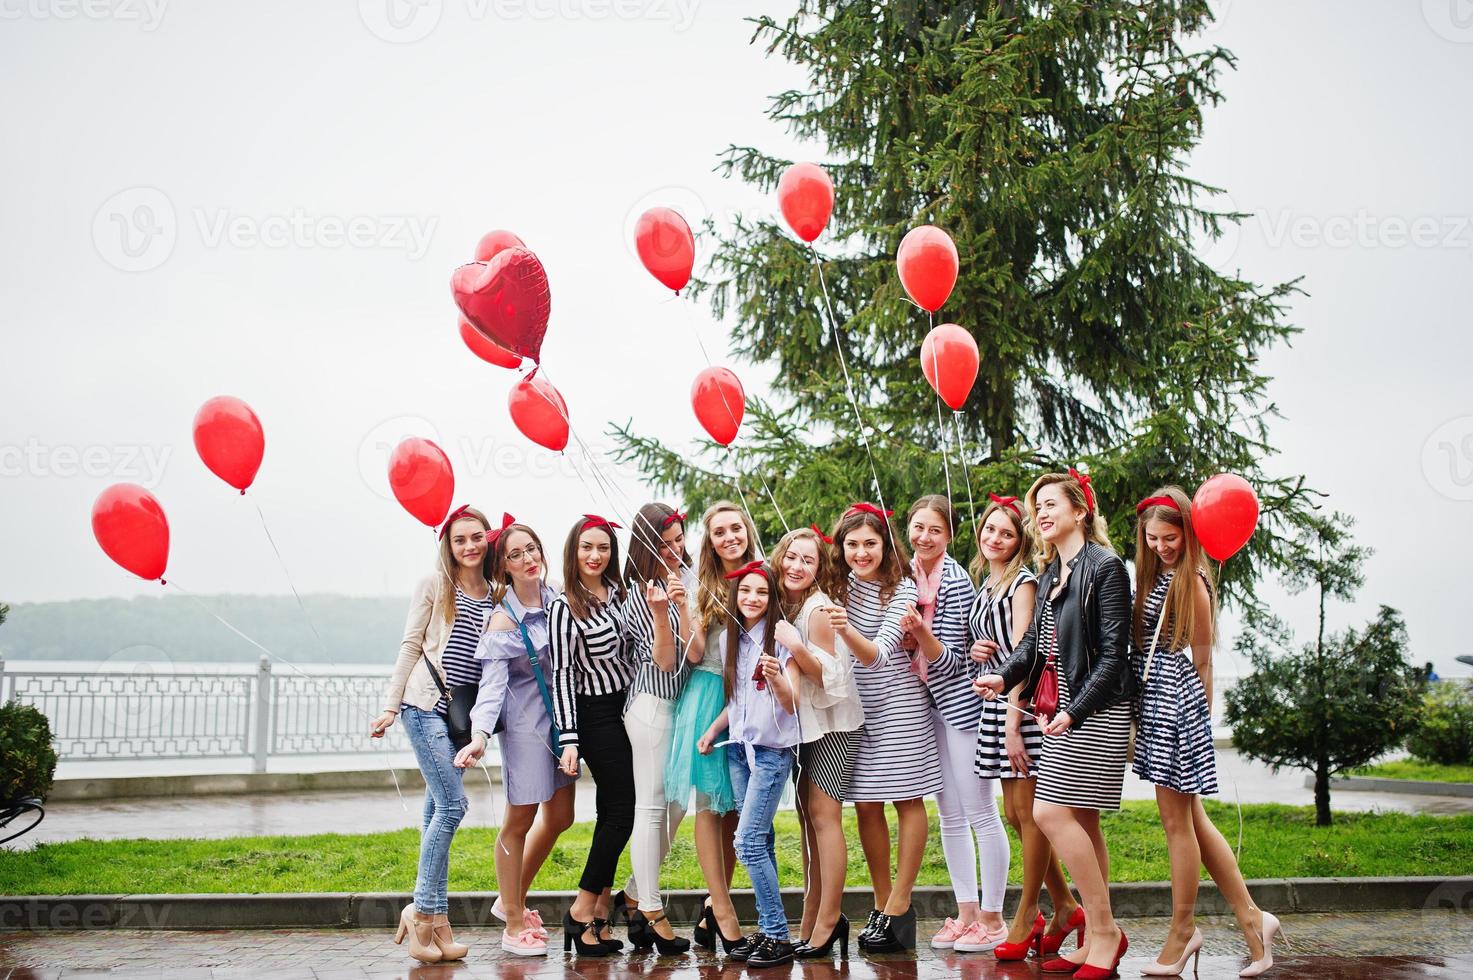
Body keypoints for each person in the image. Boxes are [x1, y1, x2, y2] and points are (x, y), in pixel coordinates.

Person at [975, 470, 1134, 980]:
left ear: (1080, 511)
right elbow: (1033, 649)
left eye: (1050, 505)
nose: (1040, 514)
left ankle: (1104, 928)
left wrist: (1074, 709)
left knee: (1047, 813)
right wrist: (1002, 678)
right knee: (1083, 822)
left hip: (1096, 710)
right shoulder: (1050, 574)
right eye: (1036, 507)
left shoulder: (1106, 568)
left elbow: (1112, 657)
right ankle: (1095, 935)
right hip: (1062, 709)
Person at [1132, 488, 1280, 978]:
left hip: (1177, 707)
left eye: (1169, 537)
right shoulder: (1162, 574)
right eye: (1152, 538)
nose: (1160, 546)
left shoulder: (1191, 581)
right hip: (1158, 704)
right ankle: (1253, 919)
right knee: (1192, 819)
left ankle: (1183, 930)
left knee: (1178, 823)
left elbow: (1202, 660)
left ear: (1190, 533)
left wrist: (1200, 724)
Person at [371, 504, 493, 963]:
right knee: (453, 805)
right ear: (448, 544)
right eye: (460, 539)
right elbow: (410, 644)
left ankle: (436, 921)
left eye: (476, 537)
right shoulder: (434, 585)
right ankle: (424, 914)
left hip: (459, 717)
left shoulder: (495, 590)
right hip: (422, 706)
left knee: (435, 811)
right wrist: (389, 705)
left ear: (488, 539)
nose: (469, 546)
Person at [451, 518, 577, 957]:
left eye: (532, 549)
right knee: (518, 821)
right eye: (515, 554)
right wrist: (480, 735)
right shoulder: (503, 619)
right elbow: (490, 688)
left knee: (561, 817)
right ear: (502, 566)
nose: (528, 559)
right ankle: (514, 921)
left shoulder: (558, 597)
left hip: (563, 724)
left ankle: (509, 902)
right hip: (525, 730)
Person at [968, 494, 1083, 962]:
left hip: (1021, 707)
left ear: (1020, 541)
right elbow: (999, 647)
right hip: (995, 705)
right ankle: (1065, 905)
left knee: (1030, 813)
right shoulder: (988, 582)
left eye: (1007, 533)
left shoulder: (1023, 583)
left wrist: (1015, 724)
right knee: (1018, 815)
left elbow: (1027, 654)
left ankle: (1028, 909)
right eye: (990, 529)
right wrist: (979, 649)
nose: (995, 538)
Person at [901, 495, 1012, 953]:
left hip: (963, 706)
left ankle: (993, 917)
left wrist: (920, 635)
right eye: (918, 527)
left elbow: (948, 661)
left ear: (949, 537)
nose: (924, 537)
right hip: (926, 710)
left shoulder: (957, 581)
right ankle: (966, 910)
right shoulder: (905, 575)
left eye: (935, 530)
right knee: (948, 812)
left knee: (980, 811)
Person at [827, 502, 940, 952]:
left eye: (870, 543)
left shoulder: (902, 588)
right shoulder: (837, 588)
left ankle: (900, 902)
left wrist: (844, 628)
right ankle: (881, 901)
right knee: (866, 804)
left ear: (885, 544)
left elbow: (875, 652)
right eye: (852, 544)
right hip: (857, 710)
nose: (860, 552)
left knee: (907, 799)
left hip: (899, 706)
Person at [698, 560, 802, 968]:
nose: (752, 598)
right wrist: (711, 730)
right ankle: (768, 928)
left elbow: (791, 703)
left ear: (772, 596)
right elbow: (736, 702)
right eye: (745, 591)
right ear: (734, 596)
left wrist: (777, 676)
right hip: (739, 749)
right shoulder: (730, 640)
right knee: (763, 840)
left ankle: (777, 933)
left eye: (761, 592)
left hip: (772, 752)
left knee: (745, 841)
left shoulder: (780, 640)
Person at [544, 514, 636, 956]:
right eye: (586, 548)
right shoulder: (565, 607)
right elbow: (561, 675)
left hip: (631, 706)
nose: (595, 556)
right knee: (622, 811)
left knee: (612, 812)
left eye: (602, 548)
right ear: (573, 553)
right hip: (595, 714)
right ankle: (581, 911)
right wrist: (569, 739)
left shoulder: (620, 595)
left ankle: (599, 915)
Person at [771, 526, 862, 960]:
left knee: (825, 819)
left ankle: (829, 919)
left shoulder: (816, 611)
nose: (797, 566)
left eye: (808, 560)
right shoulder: (788, 605)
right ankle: (812, 913)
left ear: (819, 568)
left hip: (831, 726)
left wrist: (792, 644)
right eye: (792, 556)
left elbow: (828, 678)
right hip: (807, 726)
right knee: (808, 819)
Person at [682, 501, 763, 952]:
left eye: (736, 528)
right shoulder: (701, 584)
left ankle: (714, 910)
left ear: (747, 530)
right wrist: (687, 612)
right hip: (711, 690)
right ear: (710, 541)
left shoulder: (764, 577)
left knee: (735, 810)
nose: (729, 537)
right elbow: (693, 655)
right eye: (719, 532)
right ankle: (724, 911)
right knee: (711, 807)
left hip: (751, 699)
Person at [621, 505, 693, 954]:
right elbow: (666, 661)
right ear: (645, 544)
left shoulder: (684, 580)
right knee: (650, 807)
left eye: (679, 539)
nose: (674, 549)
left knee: (678, 804)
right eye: (665, 542)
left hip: (681, 707)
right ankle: (651, 908)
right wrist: (664, 612)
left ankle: (631, 892)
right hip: (650, 705)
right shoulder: (638, 595)